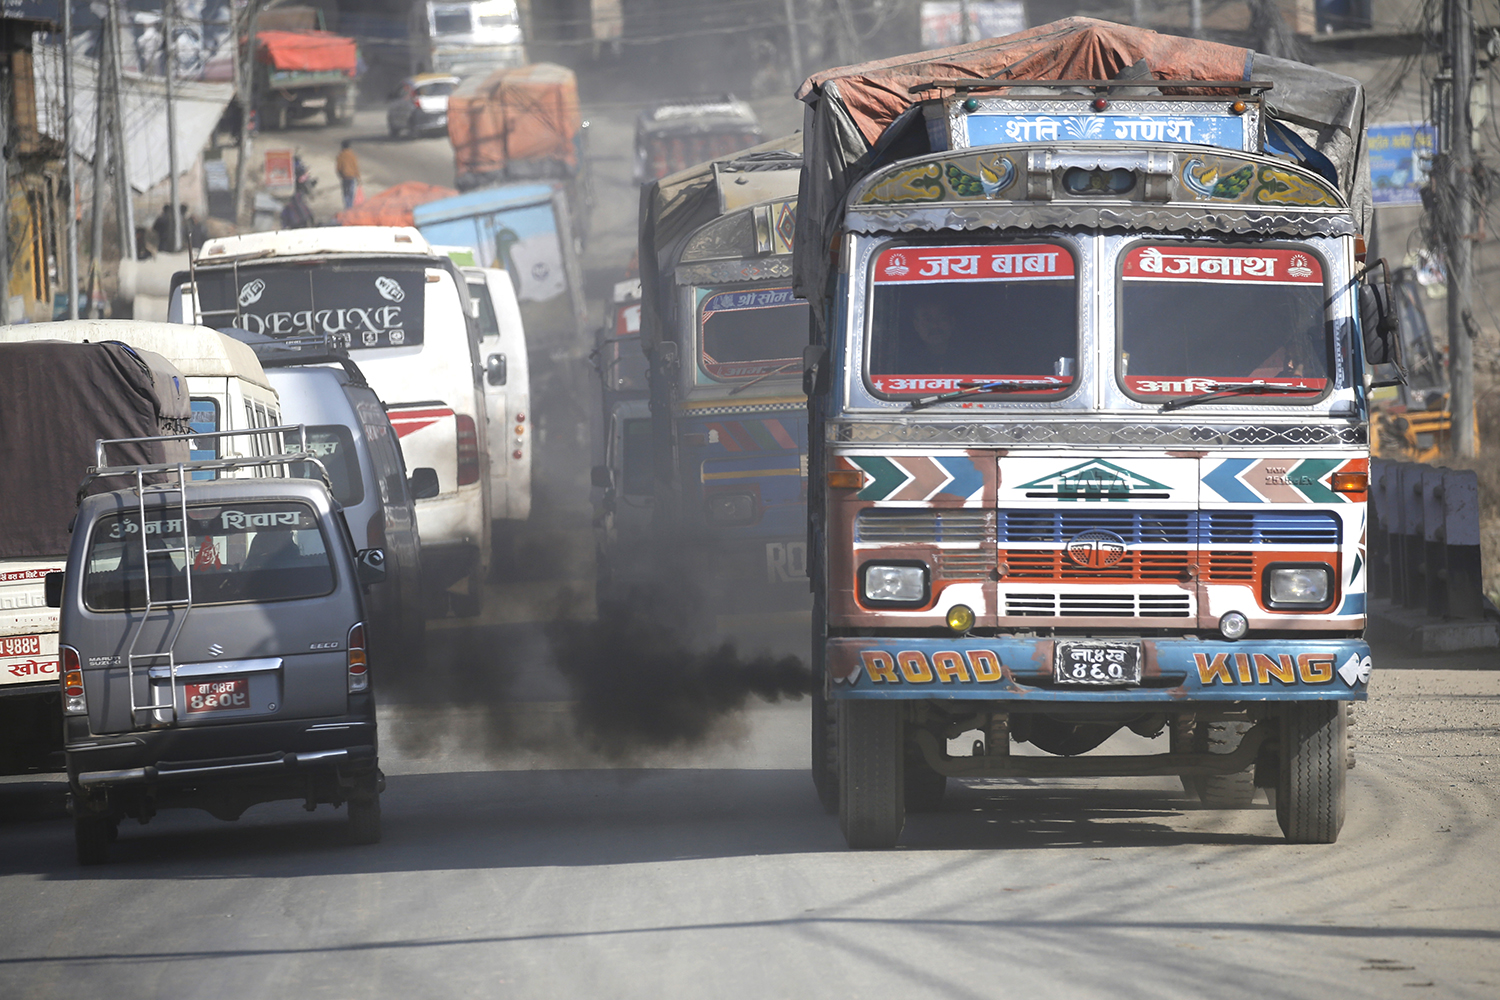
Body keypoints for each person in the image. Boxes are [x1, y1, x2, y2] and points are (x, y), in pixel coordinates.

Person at [335, 139, 360, 210]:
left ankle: (347, 208)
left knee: (346, 194)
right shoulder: (353, 155)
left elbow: (338, 168)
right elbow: (356, 166)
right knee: (351, 194)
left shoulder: (340, 155)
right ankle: (350, 208)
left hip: (344, 177)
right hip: (352, 176)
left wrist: (340, 175)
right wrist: (358, 178)